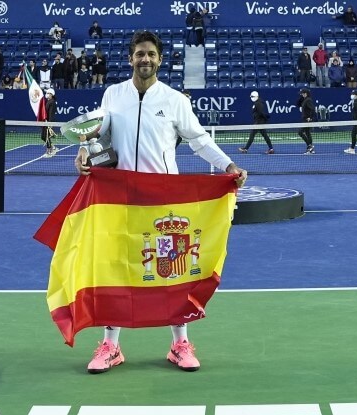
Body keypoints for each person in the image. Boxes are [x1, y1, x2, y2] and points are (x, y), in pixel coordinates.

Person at [74, 31, 247, 374]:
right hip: (120, 198)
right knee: (117, 269)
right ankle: (111, 346)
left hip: (163, 200)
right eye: (139, 54)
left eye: (151, 54)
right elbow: (99, 136)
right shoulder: (113, 94)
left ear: (160, 59)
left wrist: (228, 165)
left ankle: (179, 344)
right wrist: (83, 150)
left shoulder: (174, 100)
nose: (145, 59)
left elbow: (197, 139)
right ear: (130, 58)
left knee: (172, 271)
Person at [297, 88, 315, 154]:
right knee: (307, 133)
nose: (301, 94)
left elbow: (313, 109)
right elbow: (297, 104)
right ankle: (311, 148)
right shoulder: (304, 100)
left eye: (302, 93)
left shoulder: (308, 100)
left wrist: (310, 117)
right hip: (304, 119)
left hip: (307, 120)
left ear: (306, 93)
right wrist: (301, 97)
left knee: (300, 132)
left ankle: (309, 146)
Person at [41, 88, 57, 157]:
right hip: (45, 122)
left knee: (46, 136)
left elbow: (51, 113)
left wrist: (50, 123)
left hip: (48, 122)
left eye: (48, 93)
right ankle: (53, 147)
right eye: (46, 93)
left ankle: (49, 152)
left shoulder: (52, 102)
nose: (46, 94)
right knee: (43, 136)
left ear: (52, 94)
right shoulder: (48, 101)